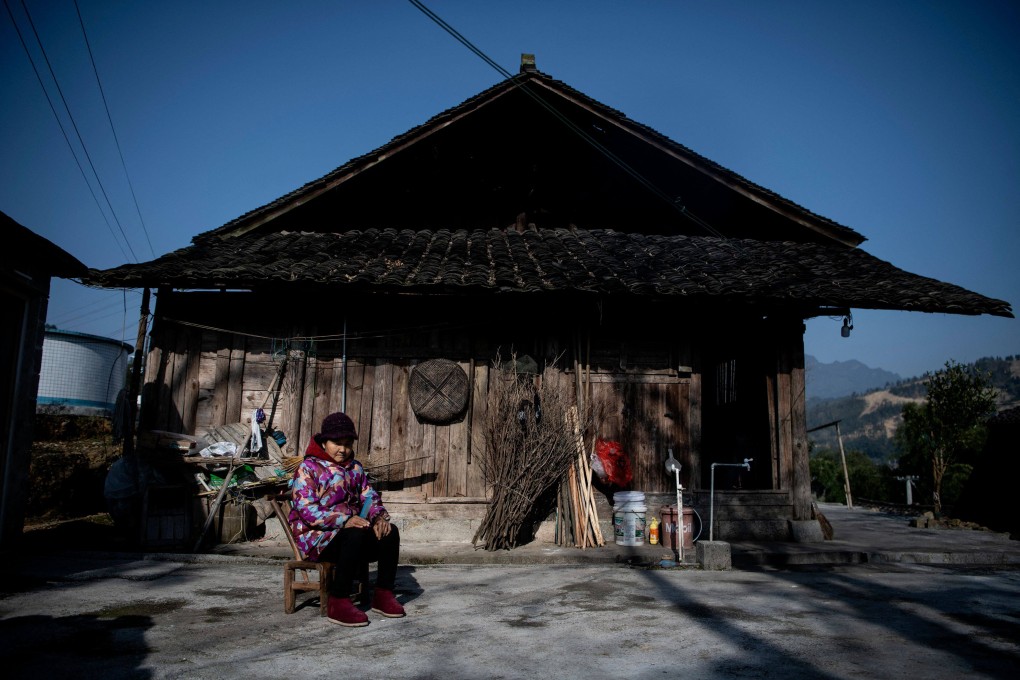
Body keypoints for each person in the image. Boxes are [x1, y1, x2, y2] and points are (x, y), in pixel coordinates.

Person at [287, 411, 405, 626]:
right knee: (354, 533)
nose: (342, 449)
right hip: (317, 539)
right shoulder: (308, 468)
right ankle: (338, 600)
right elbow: (306, 510)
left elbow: (368, 495)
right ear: (324, 442)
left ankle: (383, 594)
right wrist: (343, 520)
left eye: (347, 443)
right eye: (336, 443)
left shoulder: (355, 468)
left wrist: (378, 517)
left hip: (352, 535)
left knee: (390, 532)